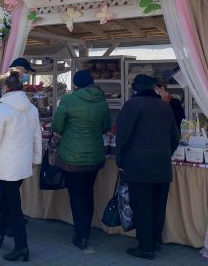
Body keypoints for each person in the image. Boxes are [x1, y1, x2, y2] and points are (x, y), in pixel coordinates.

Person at [116, 74, 180, 260]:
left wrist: (121, 161)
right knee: (158, 206)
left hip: (138, 166)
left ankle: (145, 248)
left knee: (142, 206)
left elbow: (123, 136)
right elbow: (175, 137)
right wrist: (164, 154)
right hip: (161, 166)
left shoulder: (132, 105)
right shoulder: (164, 106)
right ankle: (156, 241)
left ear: (135, 88)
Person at [0, 69, 42, 262]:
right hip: (22, 164)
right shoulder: (31, 109)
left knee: (12, 205)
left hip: (6, 165)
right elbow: (36, 136)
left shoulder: (1, 110)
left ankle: (22, 246)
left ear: (5, 87)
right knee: (6, 201)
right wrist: (36, 158)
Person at [51, 70, 111, 250]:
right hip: (94, 155)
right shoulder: (101, 100)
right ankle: (86, 231)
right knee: (88, 193)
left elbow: (57, 127)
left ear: (75, 84)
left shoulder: (68, 100)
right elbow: (106, 126)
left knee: (76, 196)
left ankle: (81, 235)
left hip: (72, 156)